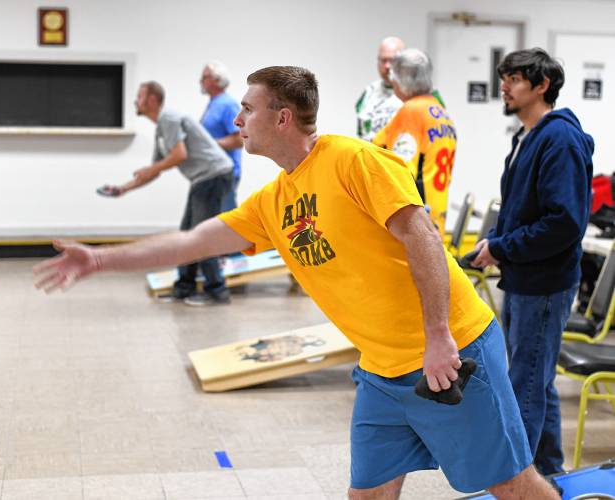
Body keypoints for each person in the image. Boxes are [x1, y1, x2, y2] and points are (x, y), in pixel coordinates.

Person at [36, 66, 559, 499]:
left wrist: (440, 335)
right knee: (369, 493)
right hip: (381, 372)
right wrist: (100, 260)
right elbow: (191, 242)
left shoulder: (353, 161)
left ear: (282, 117)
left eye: (248, 108)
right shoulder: (274, 201)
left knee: (510, 485)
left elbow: (421, 235)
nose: (237, 118)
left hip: (448, 354)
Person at [472, 48, 594, 476]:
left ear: (542, 86)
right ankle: (548, 473)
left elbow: (563, 223)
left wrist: (503, 247)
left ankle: (521, 482)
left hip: (544, 284)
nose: (503, 86)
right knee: (534, 381)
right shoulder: (529, 136)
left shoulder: (558, 139)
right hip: (527, 279)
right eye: (503, 77)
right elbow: (526, 210)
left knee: (524, 385)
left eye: (515, 79)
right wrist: (496, 241)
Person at [104, 81, 234, 306]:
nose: (136, 101)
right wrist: (123, 189)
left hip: (214, 176)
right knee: (187, 235)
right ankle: (184, 287)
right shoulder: (161, 129)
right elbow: (154, 170)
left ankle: (217, 291)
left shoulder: (170, 118)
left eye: (140, 97)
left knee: (201, 236)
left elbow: (179, 156)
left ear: (153, 100)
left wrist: (152, 169)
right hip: (202, 179)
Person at [374, 49, 457, 235]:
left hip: (415, 220)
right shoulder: (438, 110)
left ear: (401, 80)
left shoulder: (411, 111)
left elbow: (401, 169)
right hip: (436, 215)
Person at [200, 61, 243, 212]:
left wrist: (207, 144)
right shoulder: (213, 103)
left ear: (217, 80)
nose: (201, 81)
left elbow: (239, 139)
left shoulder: (228, 105)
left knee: (226, 223)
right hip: (212, 173)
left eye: (205, 77)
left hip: (225, 174)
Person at [355, 36, 405, 141]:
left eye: (392, 60)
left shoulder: (420, 92)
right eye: (383, 60)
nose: (387, 66)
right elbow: (362, 132)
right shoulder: (369, 92)